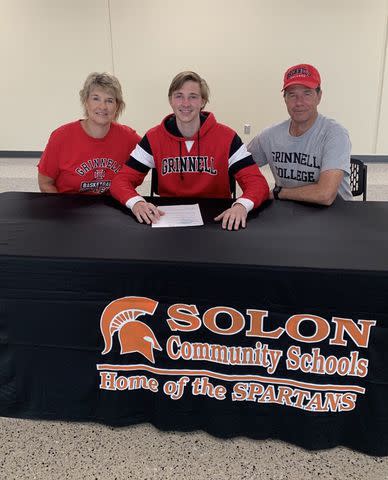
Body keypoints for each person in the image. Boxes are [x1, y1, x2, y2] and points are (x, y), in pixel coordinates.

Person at [110, 71, 269, 230]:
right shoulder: (153, 138)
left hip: (216, 221)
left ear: (203, 101)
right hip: (168, 220)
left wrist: (241, 205)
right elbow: (121, 181)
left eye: (193, 96)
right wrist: (136, 202)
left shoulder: (227, 138)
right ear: (171, 100)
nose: (185, 103)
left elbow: (257, 183)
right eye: (179, 96)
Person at [248, 63, 352, 205]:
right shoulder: (269, 136)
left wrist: (279, 192)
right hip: (289, 211)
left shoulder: (335, 134)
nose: (299, 102)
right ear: (285, 99)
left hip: (334, 214)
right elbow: (238, 165)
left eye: (307, 93)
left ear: (319, 96)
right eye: (292, 95)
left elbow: (325, 195)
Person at [38, 72, 141, 195]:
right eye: (96, 98)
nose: (102, 106)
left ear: (117, 106)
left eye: (109, 100)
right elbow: (45, 183)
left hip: (111, 208)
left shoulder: (129, 138)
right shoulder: (61, 137)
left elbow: (157, 153)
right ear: (86, 102)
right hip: (70, 208)